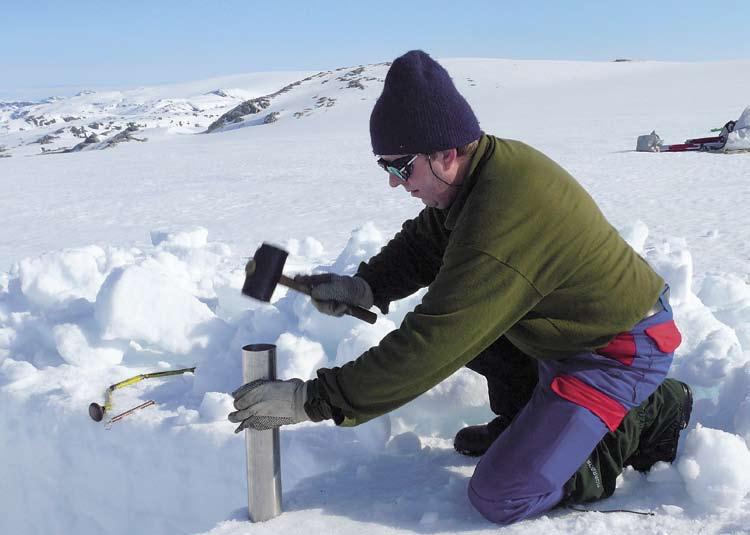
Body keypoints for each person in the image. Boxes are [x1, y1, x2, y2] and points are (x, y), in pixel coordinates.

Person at [228, 50, 693, 525]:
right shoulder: (482, 170)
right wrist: (365, 285)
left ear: (445, 153)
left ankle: (646, 414)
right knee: (478, 333)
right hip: (564, 334)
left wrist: (314, 400)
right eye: (385, 167)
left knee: (501, 495)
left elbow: (433, 343)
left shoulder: (506, 212)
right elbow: (428, 241)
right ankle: (528, 424)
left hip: (616, 350)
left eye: (401, 167)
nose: (394, 183)